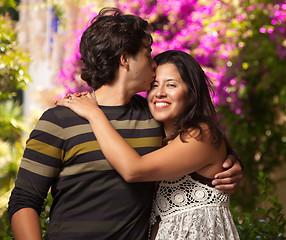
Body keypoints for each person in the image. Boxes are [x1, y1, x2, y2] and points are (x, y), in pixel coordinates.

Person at [7, 7, 242, 239]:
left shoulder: (155, 118)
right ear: (125, 59)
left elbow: (197, 146)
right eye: (148, 53)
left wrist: (230, 163)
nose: (153, 64)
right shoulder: (60, 120)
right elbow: (24, 200)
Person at [56, 50, 242, 239]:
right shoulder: (155, 137)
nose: (160, 93)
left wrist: (94, 113)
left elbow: (133, 170)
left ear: (191, 93)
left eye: (171, 85)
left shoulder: (201, 134)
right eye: (154, 85)